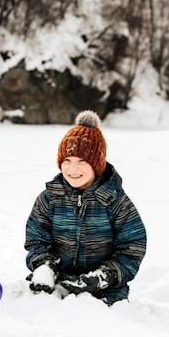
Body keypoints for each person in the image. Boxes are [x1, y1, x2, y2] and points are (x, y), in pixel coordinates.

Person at [24, 110, 147, 305]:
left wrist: (103, 277)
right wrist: (44, 266)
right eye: (67, 161)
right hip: (58, 284)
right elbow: (36, 238)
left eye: (82, 161)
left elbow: (132, 248)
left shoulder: (115, 201)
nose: (73, 169)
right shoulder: (50, 198)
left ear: (96, 164)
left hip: (105, 292)